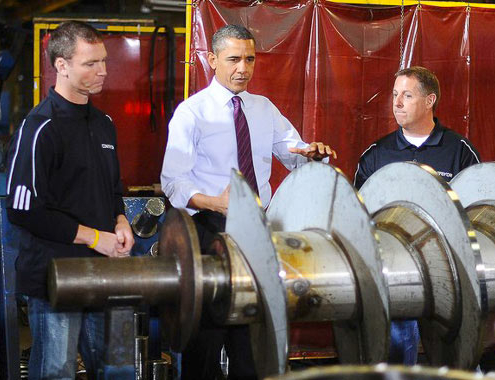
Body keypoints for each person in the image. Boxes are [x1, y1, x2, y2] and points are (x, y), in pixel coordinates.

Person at [161, 24, 336, 379]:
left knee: (251, 345)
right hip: (209, 234)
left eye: (250, 59)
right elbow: (173, 182)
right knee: (206, 344)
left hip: (258, 234)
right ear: (212, 60)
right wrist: (214, 202)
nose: (243, 68)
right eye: (234, 59)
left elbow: (293, 154)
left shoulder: (263, 108)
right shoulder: (192, 112)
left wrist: (312, 154)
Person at [6, 21, 134, 379]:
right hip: (55, 278)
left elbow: (111, 190)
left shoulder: (104, 123)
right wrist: (95, 237)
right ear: (61, 65)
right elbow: (22, 210)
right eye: (90, 63)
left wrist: (120, 220)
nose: (103, 71)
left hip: (103, 274)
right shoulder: (39, 127)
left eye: (104, 61)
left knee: (115, 369)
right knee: (57, 371)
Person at [354, 66, 480, 364]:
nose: (396, 103)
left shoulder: (458, 150)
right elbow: (359, 216)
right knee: (396, 353)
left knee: (455, 357)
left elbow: (474, 214)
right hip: (396, 273)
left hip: (449, 272)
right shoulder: (376, 154)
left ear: (429, 101)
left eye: (407, 95)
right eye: (395, 94)